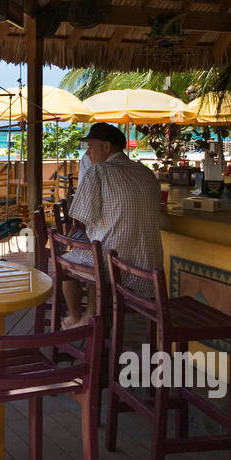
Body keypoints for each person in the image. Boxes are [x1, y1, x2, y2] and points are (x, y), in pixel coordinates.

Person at [61, 123, 163, 326]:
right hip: (148, 273)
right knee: (99, 251)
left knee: (66, 260)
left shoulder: (98, 172)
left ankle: (76, 317)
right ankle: (91, 316)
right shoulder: (146, 172)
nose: (88, 153)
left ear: (106, 147)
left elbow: (82, 217)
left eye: (90, 146)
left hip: (115, 268)